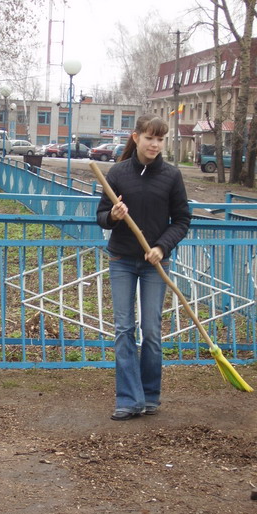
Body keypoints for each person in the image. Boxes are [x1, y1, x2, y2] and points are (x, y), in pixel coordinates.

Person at [96, 115, 191, 420]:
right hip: (122, 259)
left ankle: (149, 395)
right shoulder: (119, 173)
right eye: (150, 138)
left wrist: (162, 247)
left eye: (160, 139)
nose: (155, 144)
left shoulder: (171, 176)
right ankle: (127, 399)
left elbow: (182, 220)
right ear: (136, 137)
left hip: (155, 264)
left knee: (151, 330)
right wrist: (113, 214)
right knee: (124, 329)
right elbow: (100, 216)